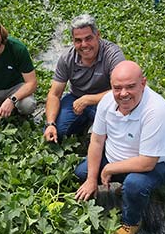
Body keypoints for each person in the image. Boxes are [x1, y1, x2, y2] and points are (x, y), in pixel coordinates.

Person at [74, 61, 165, 234]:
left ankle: (131, 222)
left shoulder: (157, 111)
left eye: (130, 87)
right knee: (82, 172)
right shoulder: (107, 102)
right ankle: (125, 187)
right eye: (117, 88)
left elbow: (147, 162)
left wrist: (109, 169)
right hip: (118, 157)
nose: (123, 94)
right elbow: (97, 140)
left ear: (143, 83)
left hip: (158, 164)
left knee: (135, 185)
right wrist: (92, 179)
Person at [43, 14, 125, 143]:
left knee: (116, 134)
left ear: (98, 35)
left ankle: (95, 123)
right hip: (76, 98)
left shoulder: (112, 55)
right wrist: (50, 124)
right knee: (59, 132)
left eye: (88, 38)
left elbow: (122, 90)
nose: (84, 45)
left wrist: (89, 99)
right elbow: (54, 94)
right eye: (78, 40)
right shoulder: (67, 58)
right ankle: (84, 121)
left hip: (108, 101)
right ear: (73, 41)